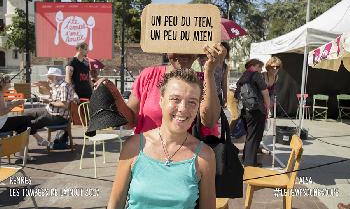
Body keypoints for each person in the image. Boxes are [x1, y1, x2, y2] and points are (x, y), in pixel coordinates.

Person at [107, 69, 216, 209]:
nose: (183, 109)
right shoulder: (134, 147)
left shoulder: (204, 156)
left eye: (192, 102)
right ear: (161, 101)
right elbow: (115, 205)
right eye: (175, 99)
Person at [96, 43, 226, 135]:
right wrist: (114, 94)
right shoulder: (148, 75)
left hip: (192, 162)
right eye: (176, 46)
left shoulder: (204, 80)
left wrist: (209, 72)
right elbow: (130, 122)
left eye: (188, 46)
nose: (183, 53)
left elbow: (209, 121)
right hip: (149, 157)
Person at [25, 67, 75, 146]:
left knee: (31, 123)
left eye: (49, 77)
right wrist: (41, 87)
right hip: (50, 111)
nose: (48, 80)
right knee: (26, 114)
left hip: (59, 116)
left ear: (55, 76)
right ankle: (38, 139)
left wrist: (49, 101)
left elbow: (64, 105)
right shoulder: (57, 85)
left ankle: (27, 144)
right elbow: (50, 95)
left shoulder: (63, 86)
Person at [234, 59, 270, 166]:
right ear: (254, 66)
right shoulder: (256, 75)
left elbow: (237, 94)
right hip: (257, 110)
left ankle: (247, 159)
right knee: (255, 137)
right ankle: (250, 163)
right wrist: (268, 108)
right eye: (260, 67)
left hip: (246, 110)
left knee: (250, 136)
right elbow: (265, 92)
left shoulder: (243, 76)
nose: (261, 69)